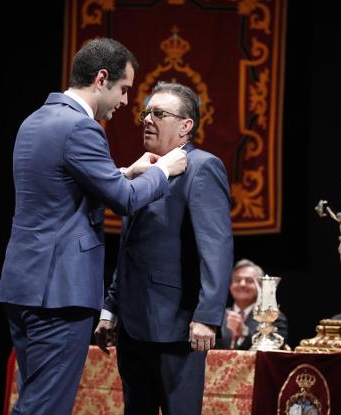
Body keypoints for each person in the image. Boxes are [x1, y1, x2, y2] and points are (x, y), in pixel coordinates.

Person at [0, 38, 188, 415]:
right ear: (102, 79)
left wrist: (125, 172)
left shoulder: (34, 120)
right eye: (124, 89)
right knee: (44, 407)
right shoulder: (82, 128)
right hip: (59, 293)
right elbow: (125, 200)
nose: (126, 102)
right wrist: (163, 171)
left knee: (33, 399)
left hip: (23, 288)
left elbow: (60, 189)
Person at [94, 81, 233, 414]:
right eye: (146, 112)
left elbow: (216, 246)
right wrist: (110, 311)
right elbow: (130, 249)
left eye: (159, 113)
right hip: (132, 328)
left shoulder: (203, 167)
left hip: (178, 329)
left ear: (186, 126)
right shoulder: (146, 169)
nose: (147, 119)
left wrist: (207, 316)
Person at [215, 259, 289, 350]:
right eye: (237, 280)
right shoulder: (218, 316)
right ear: (230, 285)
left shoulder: (273, 317)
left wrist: (244, 332)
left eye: (249, 280)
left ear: (260, 286)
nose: (242, 284)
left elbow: (277, 348)